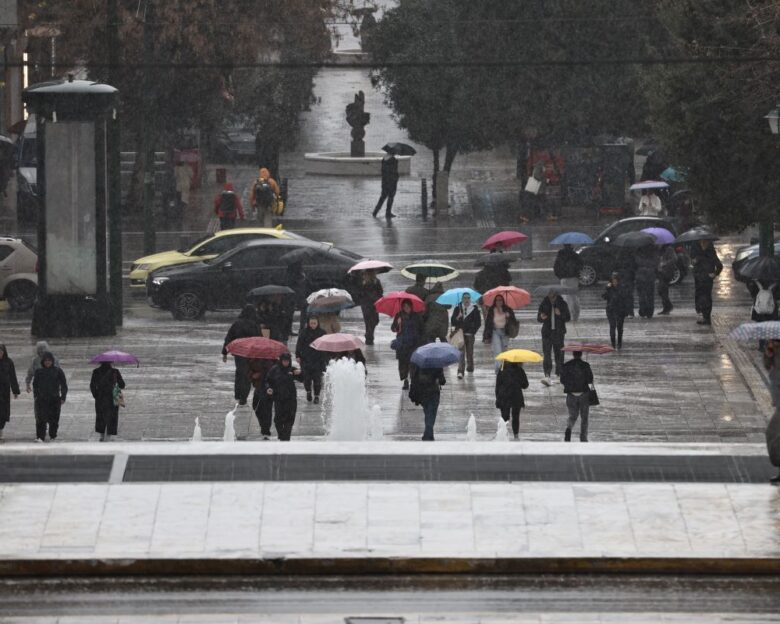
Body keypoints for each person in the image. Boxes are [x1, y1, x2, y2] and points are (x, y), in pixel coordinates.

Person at [222, 305, 259, 405]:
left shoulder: (237, 324)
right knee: (247, 375)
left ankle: (238, 394)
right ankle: (243, 396)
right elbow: (259, 339)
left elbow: (229, 338)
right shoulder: (254, 324)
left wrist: (224, 352)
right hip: (250, 353)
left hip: (239, 353)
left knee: (239, 373)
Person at [263, 353, 302, 441]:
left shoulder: (292, 370)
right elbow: (267, 381)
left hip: (291, 399)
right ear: (281, 361)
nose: (286, 363)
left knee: (290, 419)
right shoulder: (274, 369)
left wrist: (300, 373)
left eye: (287, 361)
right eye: (284, 361)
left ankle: (286, 437)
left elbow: (303, 379)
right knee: (278, 419)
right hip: (279, 399)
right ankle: (281, 435)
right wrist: (268, 388)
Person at [537, 290, 571, 385]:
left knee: (559, 354)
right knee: (547, 354)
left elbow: (568, 317)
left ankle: (559, 374)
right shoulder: (544, 303)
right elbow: (538, 318)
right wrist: (541, 317)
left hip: (558, 333)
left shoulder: (562, 303)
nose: (550, 296)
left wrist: (560, 314)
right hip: (547, 333)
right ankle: (547, 374)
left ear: (555, 294)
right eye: (549, 294)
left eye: (552, 294)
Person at [32, 352, 67, 442]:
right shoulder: (39, 372)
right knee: (41, 419)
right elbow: (35, 385)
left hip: (54, 399)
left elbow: (64, 385)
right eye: (46, 360)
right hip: (41, 399)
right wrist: (36, 396)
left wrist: (63, 397)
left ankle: (53, 435)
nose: (47, 362)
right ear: (43, 361)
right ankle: (40, 437)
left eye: (49, 360)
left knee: (54, 419)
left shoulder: (58, 371)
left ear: (52, 361)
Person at [560, 351, 594, 442]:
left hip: (571, 394)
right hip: (584, 394)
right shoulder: (585, 365)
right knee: (584, 417)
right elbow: (590, 380)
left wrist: (569, 386)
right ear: (581, 354)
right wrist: (592, 391)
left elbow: (562, 380)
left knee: (572, 415)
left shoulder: (566, 365)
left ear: (573, 354)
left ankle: (569, 428)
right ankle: (583, 437)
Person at [408, 364, 446, 441]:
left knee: (428, 413)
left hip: (423, 392)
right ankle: (428, 434)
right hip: (434, 392)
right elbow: (442, 381)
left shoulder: (419, 363)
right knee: (431, 413)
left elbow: (414, 377)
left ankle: (428, 433)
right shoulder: (437, 363)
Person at [391, 299, 423, 389]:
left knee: (412, 363)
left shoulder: (416, 316)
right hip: (402, 344)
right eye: (404, 307)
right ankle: (405, 380)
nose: (406, 308)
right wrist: (398, 324)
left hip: (413, 344)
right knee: (403, 364)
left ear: (411, 307)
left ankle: (412, 380)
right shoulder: (399, 315)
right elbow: (393, 329)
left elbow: (421, 328)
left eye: (408, 306)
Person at [89, 362, 125, 442]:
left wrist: (96, 395)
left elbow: (92, 385)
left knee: (100, 416)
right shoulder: (115, 372)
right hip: (113, 397)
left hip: (100, 397)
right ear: (111, 362)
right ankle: (108, 436)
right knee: (112, 417)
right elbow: (122, 385)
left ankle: (102, 436)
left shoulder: (96, 371)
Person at [295, 316, 327, 404]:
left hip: (318, 360)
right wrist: (297, 355)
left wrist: (325, 359)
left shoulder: (322, 333)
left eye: (314, 323)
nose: (313, 325)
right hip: (306, 359)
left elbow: (326, 347)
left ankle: (316, 395)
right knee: (307, 379)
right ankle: (308, 391)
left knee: (317, 380)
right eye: (311, 323)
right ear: (308, 323)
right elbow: (299, 344)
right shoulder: (304, 332)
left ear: (318, 323)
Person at [691, 239, 723, 325]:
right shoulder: (697, 254)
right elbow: (693, 264)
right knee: (699, 297)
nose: (703, 244)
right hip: (698, 279)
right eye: (701, 243)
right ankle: (701, 314)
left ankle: (706, 317)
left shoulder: (711, 254)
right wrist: (694, 263)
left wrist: (714, 274)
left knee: (706, 298)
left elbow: (719, 266)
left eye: (705, 243)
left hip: (707, 280)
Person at [451, 292, 481, 379]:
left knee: (469, 352)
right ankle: (460, 371)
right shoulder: (457, 308)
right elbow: (453, 321)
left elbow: (478, 323)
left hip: (470, 335)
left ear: (470, 299)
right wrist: (457, 317)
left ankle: (470, 367)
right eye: (465, 298)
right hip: (460, 334)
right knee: (461, 353)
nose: (466, 300)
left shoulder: (474, 309)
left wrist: (472, 331)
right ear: (462, 299)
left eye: (468, 298)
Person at [484, 295, 517, 372]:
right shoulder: (492, 310)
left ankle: (503, 367)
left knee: (504, 351)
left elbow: (514, 321)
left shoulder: (508, 310)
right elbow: (488, 323)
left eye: (501, 300)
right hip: (495, 332)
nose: (499, 302)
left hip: (505, 332)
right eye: (497, 300)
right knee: (497, 350)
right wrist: (486, 336)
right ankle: (498, 369)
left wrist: (509, 316)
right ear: (495, 301)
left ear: (503, 301)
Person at [495, 362, 528, 440]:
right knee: (516, 417)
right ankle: (516, 435)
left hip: (503, 396)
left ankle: (503, 434)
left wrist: (497, 398)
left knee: (504, 417)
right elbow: (525, 385)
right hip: (516, 396)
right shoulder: (520, 370)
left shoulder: (502, 369)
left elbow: (498, 385)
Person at [763, 340, 780, 483]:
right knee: (773, 434)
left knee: (774, 433)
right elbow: (768, 366)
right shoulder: (773, 344)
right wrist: (768, 355)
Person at [553, 244, 583, 322]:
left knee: (566, 296)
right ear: (571, 247)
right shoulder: (575, 255)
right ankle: (575, 314)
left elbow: (556, 267)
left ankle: (567, 314)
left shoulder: (560, 255)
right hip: (573, 278)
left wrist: (560, 276)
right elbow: (581, 266)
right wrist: (577, 274)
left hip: (564, 278)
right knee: (573, 296)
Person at [249, 358, 275, 440]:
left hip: (269, 389)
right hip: (258, 387)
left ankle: (266, 430)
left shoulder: (273, 361)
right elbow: (248, 372)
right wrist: (253, 376)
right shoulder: (253, 361)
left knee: (267, 410)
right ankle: (263, 424)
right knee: (256, 406)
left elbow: (276, 373)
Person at [603, 272, 630, 349]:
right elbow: (604, 296)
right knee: (612, 326)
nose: (614, 282)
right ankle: (613, 343)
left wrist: (627, 311)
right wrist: (607, 288)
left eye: (616, 281)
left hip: (620, 310)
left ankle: (619, 343)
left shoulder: (622, 288)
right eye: (613, 281)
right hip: (611, 310)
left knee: (619, 327)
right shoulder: (609, 289)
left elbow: (625, 299)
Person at [356, 269, 383, 345]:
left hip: (370, 304)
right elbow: (380, 292)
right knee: (371, 321)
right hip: (368, 304)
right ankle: (369, 337)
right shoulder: (364, 282)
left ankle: (368, 334)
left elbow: (380, 292)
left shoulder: (376, 281)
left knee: (372, 321)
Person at [0, 345, 20, 442]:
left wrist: (15, 390)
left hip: (4, 391)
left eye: (0, 352)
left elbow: (13, 376)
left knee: (3, 412)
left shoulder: (8, 362)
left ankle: (1, 429)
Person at [635, 244, 659, 319]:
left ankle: (643, 311)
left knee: (642, 295)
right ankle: (649, 312)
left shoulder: (638, 252)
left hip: (641, 276)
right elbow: (655, 263)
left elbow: (636, 263)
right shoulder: (653, 251)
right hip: (650, 275)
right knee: (650, 295)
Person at [372, 154, 399, 219]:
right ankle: (388, 212)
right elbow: (393, 171)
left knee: (383, 197)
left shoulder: (384, 159)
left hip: (384, 182)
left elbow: (384, 171)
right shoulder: (393, 160)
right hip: (391, 181)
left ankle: (375, 211)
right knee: (391, 197)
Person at [285, 261, 309, 335]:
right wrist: (302, 277)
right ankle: (300, 329)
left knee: (292, 311)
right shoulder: (295, 270)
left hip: (296, 294)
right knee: (295, 310)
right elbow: (294, 281)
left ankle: (298, 329)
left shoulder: (294, 270)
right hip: (296, 294)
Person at [615, 248, 636, 318]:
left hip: (622, 277)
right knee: (629, 296)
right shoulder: (632, 257)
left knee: (622, 296)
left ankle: (624, 312)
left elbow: (616, 266)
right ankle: (630, 312)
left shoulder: (619, 256)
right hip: (628, 278)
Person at [657, 244, 677, 315]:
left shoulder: (669, 249)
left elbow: (674, 259)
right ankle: (666, 307)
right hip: (661, 272)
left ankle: (668, 306)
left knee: (662, 289)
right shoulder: (660, 250)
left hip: (667, 272)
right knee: (662, 290)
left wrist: (664, 263)